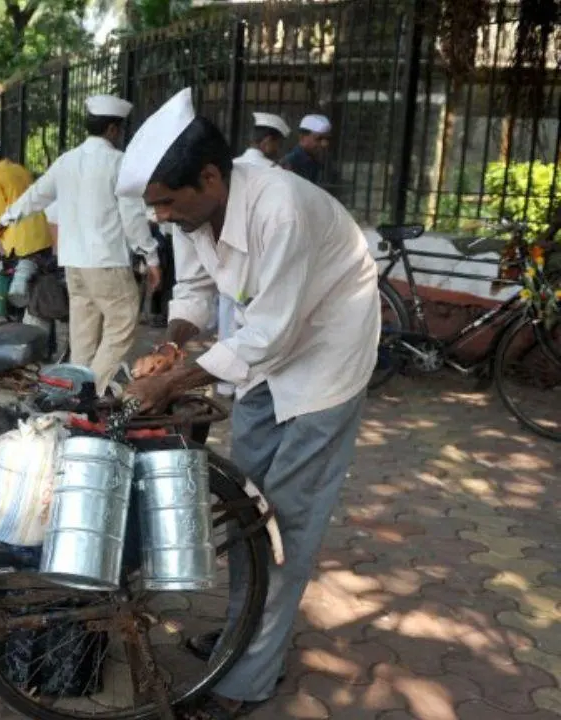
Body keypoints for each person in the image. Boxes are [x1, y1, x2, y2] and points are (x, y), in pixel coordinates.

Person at [116, 88, 379, 719]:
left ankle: (246, 680)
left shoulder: (280, 207)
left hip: (324, 364)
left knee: (284, 526)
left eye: (168, 204)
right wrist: (173, 348)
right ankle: (245, 635)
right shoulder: (189, 209)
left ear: (209, 176)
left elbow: (275, 334)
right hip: (260, 362)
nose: (162, 217)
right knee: (246, 511)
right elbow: (198, 293)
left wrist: (172, 385)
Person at [0, 95, 161, 390]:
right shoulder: (119, 162)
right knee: (121, 326)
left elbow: (37, 195)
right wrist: (151, 256)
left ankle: (73, 400)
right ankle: (91, 390)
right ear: (113, 129)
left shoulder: (66, 161)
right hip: (107, 262)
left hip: (74, 263)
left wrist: (6, 218)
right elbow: (133, 216)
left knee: (83, 337)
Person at [217, 111, 290, 398]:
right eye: (278, 144)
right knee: (254, 326)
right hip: (259, 261)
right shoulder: (275, 175)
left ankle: (224, 381)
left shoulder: (229, 169)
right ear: (269, 142)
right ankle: (245, 386)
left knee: (227, 322)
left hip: (226, 258)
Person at [0, 141, 53, 324]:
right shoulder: (20, 169)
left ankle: (9, 322)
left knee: (13, 281)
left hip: (20, 238)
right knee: (35, 284)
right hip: (42, 233)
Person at [281, 113, 331, 183]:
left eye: (327, 139)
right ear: (302, 138)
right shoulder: (290, 163)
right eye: (318, 139)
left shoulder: (317, 161)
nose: (324, 144)